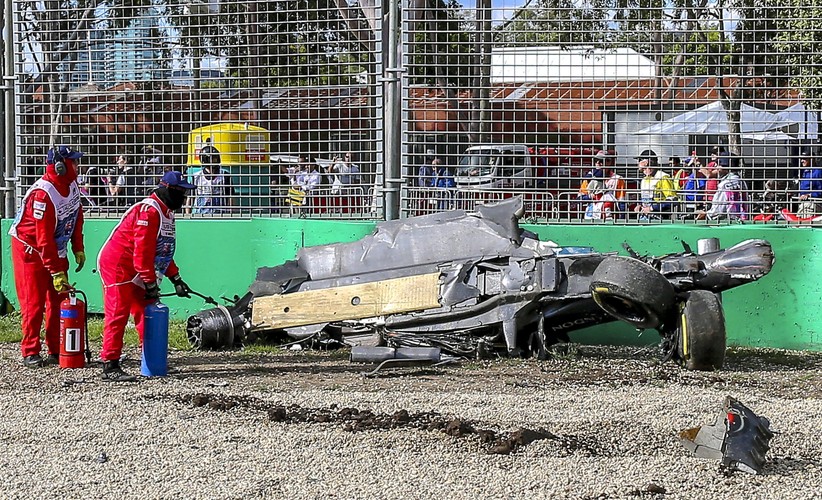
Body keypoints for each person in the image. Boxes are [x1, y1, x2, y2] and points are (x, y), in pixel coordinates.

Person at [97, 171, 195, 381]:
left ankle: (151, 360)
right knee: (118, 312)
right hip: (118, 264)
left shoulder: (167, 212)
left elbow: (163, 251)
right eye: (181, 191)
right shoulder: (149, 212)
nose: (184, 197)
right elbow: (142, 254)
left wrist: (176, 279)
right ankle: (109, 364)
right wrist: (151, 283)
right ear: (167, 189)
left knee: (147, 311)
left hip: (138, 266)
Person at [8, 145, 86, 367]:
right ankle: (30, 350)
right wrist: (56, 271)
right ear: (60, 166)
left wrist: (77, 246)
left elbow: (76, 215)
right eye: (73, 162)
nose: (77, 165)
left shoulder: (71, 185)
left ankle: (56, 348)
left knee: (59, 298)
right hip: (30, 249)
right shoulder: (43, 195)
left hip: (55, 245)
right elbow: (43, 240)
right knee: (33, 301)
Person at [696, 153, 748, 221]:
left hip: (727, 222)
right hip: (741, 220)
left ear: (726, 166)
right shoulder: (741, 181)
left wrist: (705, 214)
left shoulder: (725, 184)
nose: (716, 167)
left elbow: (718, 211)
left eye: (718, 164)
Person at [633, 149, 677, 220]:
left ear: (647, 162)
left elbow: (673, 200)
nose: (638, 164)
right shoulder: (644, 180)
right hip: (644, 218)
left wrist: (651, 208)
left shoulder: (662, 177)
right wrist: (640, 206)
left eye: (640, 161)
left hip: (659, 219)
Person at [190, 144, 234, 214]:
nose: (215, 161)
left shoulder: (224, 175)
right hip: (200, 214)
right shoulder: (196, 177)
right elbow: (190, 198)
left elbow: (230, 197)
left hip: (221, 214)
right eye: (213, 159)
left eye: (216, 158)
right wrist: (187, 215)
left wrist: (230, 213)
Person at [795, 151, 822, 218]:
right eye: (801, 159)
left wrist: (809, 195)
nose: (802, 161)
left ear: (811, 159)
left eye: (804, 159)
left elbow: (820, 190)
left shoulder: (818, 172)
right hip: (803, 204)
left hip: (812, 204)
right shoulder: (804, 171)